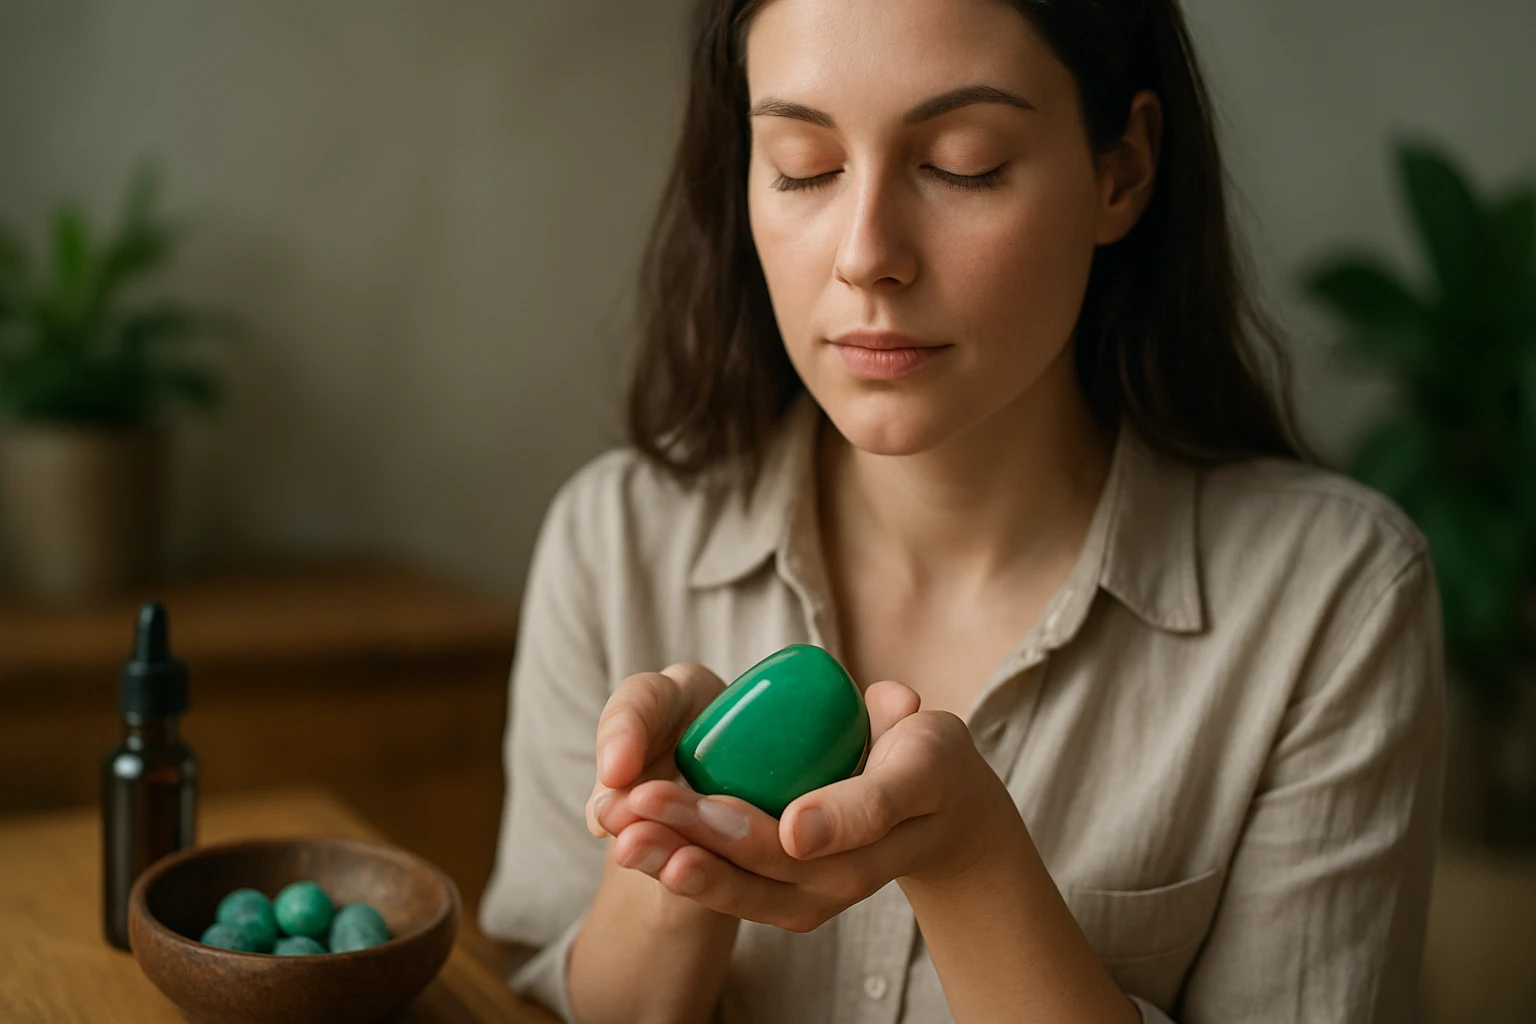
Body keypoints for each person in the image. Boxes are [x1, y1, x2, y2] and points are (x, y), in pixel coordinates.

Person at [479, 0, 1446, 1021]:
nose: (866, 255)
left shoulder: (1335, 600)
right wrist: (677, 846)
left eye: (965, 162)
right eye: (803, 164)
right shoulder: (615, 541)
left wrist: (973, 861)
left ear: (1121, 168)